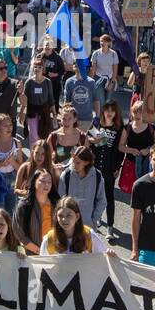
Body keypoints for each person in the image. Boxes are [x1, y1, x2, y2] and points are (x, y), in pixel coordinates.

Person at [89, 101, 126, 236]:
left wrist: (118, 167)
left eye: (112, 110)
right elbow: (89, 141)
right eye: (107, 110)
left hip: (109, 166)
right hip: (95, 164)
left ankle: (110, 225)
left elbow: (120, 151)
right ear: (103, 111)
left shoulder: (120, 128)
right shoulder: (96, 123)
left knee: (109, 197)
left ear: (116, 113)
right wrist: (94, 141)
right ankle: (97, 218)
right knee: (94, 195)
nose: (109, 113)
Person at [40, 196, 109, 255]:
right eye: (60, 216)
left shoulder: (89, 236)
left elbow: (103, 258)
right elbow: (42, 264)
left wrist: (110, 254)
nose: (64, 219)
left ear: (77, 216)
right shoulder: (49, 239)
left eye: (69, 215)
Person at [59, 146, 107, 230]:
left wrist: (94, 219)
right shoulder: (66, 175)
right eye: (73, 161)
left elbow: (102, 200)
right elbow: (60, 200)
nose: (74, 165)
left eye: (78, 163)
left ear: (86, 162)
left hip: (88, 226)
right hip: (68, 226)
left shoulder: (97, 176)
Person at [14, 169, 59, 254]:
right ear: (34, 182)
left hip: (54, 252)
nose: (47, 184)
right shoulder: (23, 205)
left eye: (49, 181)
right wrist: (39, 251)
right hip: (31, 254)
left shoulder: (57, 204)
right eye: (42, 181)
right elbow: (18, 232)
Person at [0, 115, 23, 215]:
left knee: (11, 210)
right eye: (5, 126)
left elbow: (21, 168)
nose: (9, 128)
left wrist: (12, 161)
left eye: (10, 125)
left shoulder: (17, 143)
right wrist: (1, 164)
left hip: (12, 179)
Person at [20, 56, 57, 146]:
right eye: (35, 66)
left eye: (40, 67)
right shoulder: (29, 82)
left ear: (43, 69)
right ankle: (33, 154)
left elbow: (51, 99)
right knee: (33, 135)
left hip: (44, 112)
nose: (37, 69)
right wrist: (21, 113)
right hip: (31, 112)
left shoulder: (47, 82)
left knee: (43, 135)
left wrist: (55, 115)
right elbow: (24, 99)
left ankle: (41, 155)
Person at [62, 63, 103, 131]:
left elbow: (96, 100)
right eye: (76, 65)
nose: (78, 68)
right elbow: (66, 102)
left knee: (85, 140)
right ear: (73, 67)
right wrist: (65, 117)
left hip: (87, 119)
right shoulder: (69, 82)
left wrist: (97, 117)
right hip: (73, 119)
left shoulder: (91, 82)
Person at [47, 105, 87, 171]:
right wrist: (53, 165)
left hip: (76, 174)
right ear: (60, 119)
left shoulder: (82, 137)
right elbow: (46, 157)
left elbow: (87, 159)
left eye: (69, 119)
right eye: (64, 119)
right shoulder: (53, 136)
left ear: (75, 119)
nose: (66, 122)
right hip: (58, 174)